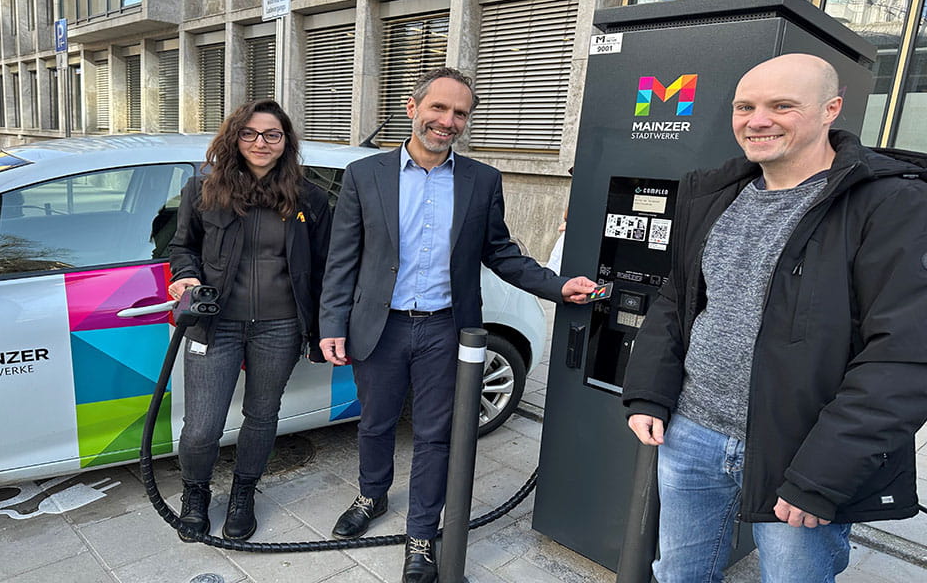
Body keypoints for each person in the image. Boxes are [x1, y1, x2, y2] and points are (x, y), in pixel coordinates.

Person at [622, 53, 927, 582]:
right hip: (691, 432)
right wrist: (648, 389)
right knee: (677, 573)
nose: (757, 120)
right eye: (746, 106)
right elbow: (678, 297)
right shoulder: (714, 192)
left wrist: (823, 475)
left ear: (831, 109)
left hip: (803, 449)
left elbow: (903, 355)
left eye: (781, 105)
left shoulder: (890, 203)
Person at [319, 67, 598, 582]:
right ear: (413, 108)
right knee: (376, 422)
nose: (447, 121)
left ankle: (422, 535)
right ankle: (371, 495)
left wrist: (557, 285)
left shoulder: (482, 180)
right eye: (439, 108)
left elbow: (500, 252)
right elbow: (343, 257)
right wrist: (332, 323)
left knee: (435, 435)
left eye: (459, 113)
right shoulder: (366, 175)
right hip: (380, 327)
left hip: (448, 331)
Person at [168, 99, 331, 542]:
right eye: (250, 133)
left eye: (272, 135)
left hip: (280, 327)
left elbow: (324, 265)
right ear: (235, 136)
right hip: (214, 325)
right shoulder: (203, 190)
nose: (261, 143)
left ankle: (244, 492)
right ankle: (195, 493)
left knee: (262, 415)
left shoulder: (309, 198)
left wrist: (324, 327)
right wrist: (186, 277)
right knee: (202, 426)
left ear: (285, 141)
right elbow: (182, 248)